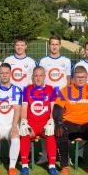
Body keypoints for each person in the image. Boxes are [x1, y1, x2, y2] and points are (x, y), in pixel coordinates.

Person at [53, 66, 88, 175]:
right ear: (73, 78)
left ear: (87, 78)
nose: (80, 79)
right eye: (78, 77)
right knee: (60, 131)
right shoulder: (65, 90)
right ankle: (64, 166)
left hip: (87, 123)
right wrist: (58, 123)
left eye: (83, 77)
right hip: (70, 122)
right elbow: (57, 108)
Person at [37, 35, 71, 164]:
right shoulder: (43, 61)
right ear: (49, 45)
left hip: (61, 99)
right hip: (46, 99)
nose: (54, 46)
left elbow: (68, 81)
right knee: (45, 125)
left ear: (60, 46)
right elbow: (39, 80)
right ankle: (45, 155)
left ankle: (65, 156)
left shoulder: (66, 61)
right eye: (52, 44)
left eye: (57, 44)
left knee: (63, 126)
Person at [19, 66, 58, 175]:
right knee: (25, 134)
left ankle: (52, 166)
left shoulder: (50, 89)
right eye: (36, 75)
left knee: (50, 136)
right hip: (31, 123)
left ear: (44, 77)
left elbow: (53, 107)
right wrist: (23, 121)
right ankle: (25, 166)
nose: (38, 78)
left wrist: (51, 121)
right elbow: (24, 108)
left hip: (45, 124)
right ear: (33, 77)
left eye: (40, 75)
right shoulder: (27, 89)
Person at [0, 63, 22, 175]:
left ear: (11, 74)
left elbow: (17, 110)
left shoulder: (17, 90)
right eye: (2, 73)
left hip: (10, 125)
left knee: (16, 140)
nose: (4, 75)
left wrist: (14, 127)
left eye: (7, 73)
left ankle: (12, 167)